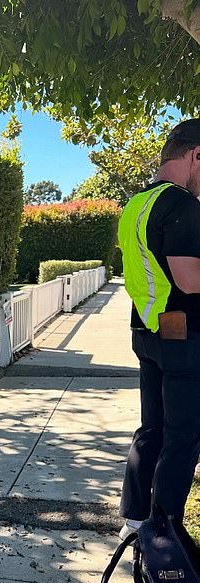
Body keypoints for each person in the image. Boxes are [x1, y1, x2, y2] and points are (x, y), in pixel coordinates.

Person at [117, 118, 200, 540]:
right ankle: (164, 530)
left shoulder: (135, 204)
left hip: (146, 331)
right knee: (184, 435)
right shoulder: (183, 205)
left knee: (152, 427)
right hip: (183, 337)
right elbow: (188, 279)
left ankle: (134, 519)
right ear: (195, 155)